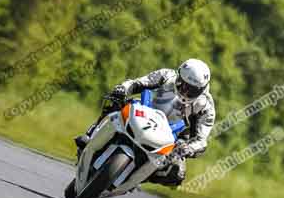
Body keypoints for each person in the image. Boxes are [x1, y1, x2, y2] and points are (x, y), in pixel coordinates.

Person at [76, 58, 215, 187]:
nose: (186, 91)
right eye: (182, 85)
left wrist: (189, 148)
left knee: (177, 174)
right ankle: (91, 134)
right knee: (115, 100)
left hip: (169, 137)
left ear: (202, 89)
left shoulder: (206, 107)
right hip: (142, 110)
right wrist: (123, 88)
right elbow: (137, 83)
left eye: (192, 90)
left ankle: (141, 177)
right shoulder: (166, 75)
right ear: (178, 76)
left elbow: (201, 141)